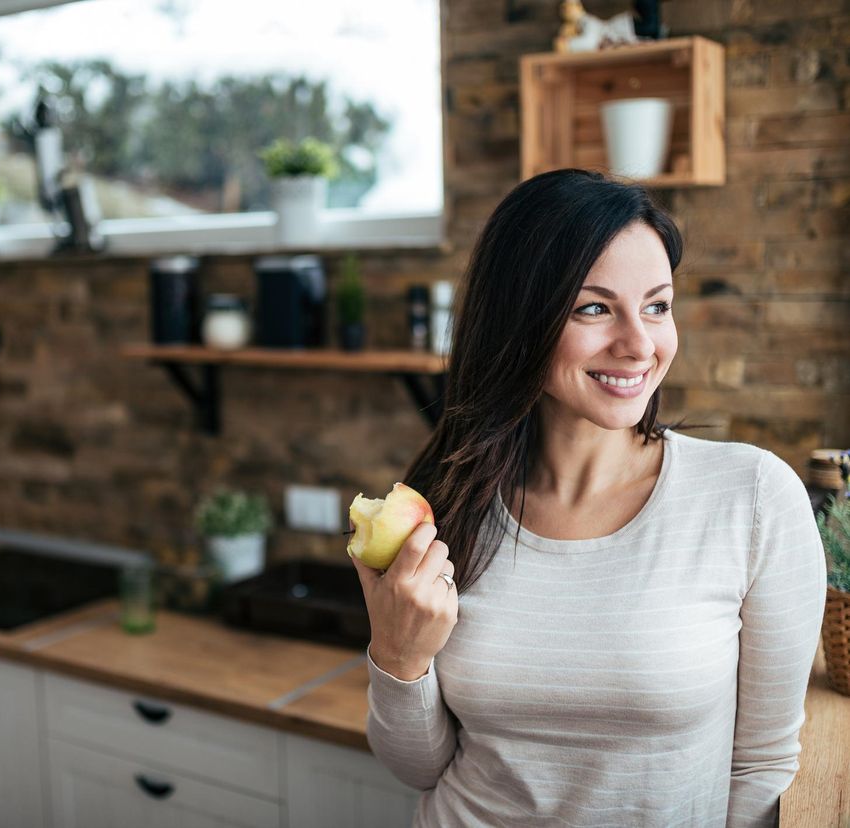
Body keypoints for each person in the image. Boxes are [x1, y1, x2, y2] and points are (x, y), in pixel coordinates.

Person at [349, 169, 827, 827]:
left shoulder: (752, 498)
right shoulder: (448, 503)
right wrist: (397, 658)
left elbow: (762, 768)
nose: (639, 344)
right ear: (521, 320)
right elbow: (419, 768)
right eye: (594, 308)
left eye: (657, 305)